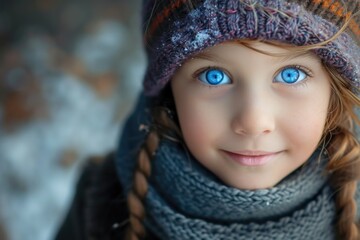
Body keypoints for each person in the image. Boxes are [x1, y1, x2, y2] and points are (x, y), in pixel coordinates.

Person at [55, 0, 360, 239]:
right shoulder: (101, 199)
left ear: (335, 89)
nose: (253, 121)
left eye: (290, 75)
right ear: (169, 89)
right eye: (214, 77)